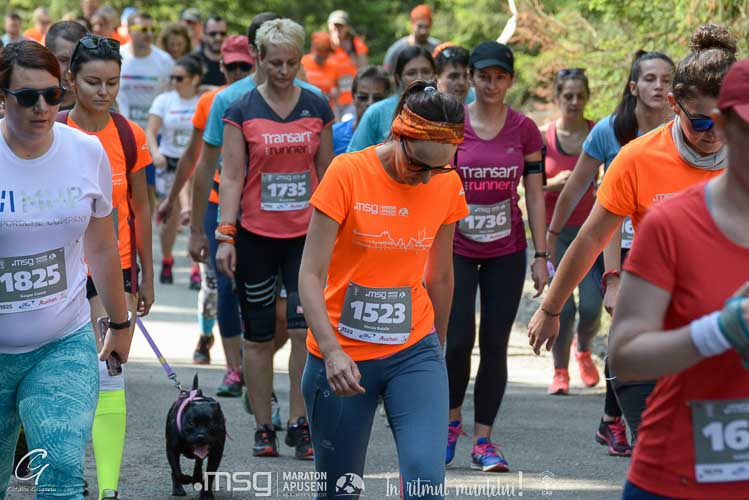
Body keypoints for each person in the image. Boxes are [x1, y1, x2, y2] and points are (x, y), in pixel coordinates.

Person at [529, 23, 736, 447]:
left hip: (726, 343)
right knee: (665, 455)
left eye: (724, 119)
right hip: (650, 340)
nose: (713, 132)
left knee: (714, 466)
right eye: (700, 121)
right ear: (674, 105)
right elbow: (590, 239)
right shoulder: (637, 159)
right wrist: (551, 307)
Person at [299, 81, 468, 499]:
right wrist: (331, 351)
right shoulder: (348, 173)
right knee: (339, 492)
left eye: (438, 168)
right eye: (419, 165)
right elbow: (310, 275)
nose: (426, 179)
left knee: (426, 482)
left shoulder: (446, 183)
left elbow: (440, 275)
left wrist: (437, 346)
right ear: (398, 134)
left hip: (413, 350)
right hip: (342, 354)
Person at [609, 57, 749, 500]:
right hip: (678, 477)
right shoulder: (672, 223)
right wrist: (719, 331)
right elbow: (624, 356)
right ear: (725, 127)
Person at [0, 40, 131, 499]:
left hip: (61, 343)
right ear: (2, 98)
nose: (42, 107)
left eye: (52, 95)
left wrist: (120, 324)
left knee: (60, 467)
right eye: (27, 97)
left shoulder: (86, 152)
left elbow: (102, 245)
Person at [541, 50, 674, 456]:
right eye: (649, 79)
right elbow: (576, 188)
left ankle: (617, 417)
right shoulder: (610, 131)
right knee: (623, 329)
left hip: (667, 246)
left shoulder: (685, 129)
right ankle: (619, 420)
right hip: (618, 243)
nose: (658, 86)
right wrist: (549, 238)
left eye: (666, 80)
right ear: (633, 87)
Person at [215, 18, 334, 460]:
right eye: (275, 63)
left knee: (305, 333)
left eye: (291, 63)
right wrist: (226, 235)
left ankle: (300, 423)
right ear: (259, 59)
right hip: (256, 236)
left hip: (305, 237)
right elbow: (231, 175)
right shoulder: (241, 109)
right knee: (259, 337)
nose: (284, 71)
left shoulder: (316, 106)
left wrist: (336, 231)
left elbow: (327, 172)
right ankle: (263, 426)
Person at [445, 41, 548, 473]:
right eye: (483, 76)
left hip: (507, 250)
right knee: (456, 342)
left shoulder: (524, 129)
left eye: (499, 77)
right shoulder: (453, 123)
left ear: (510, 80)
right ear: (470, 77)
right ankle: (450, 425)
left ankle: (484, 440)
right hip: (456, 248)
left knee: (494, 344)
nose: (491, 84)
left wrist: (542, 254)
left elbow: (535, 193)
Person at [63, 33, 154, 500]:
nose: (103, 91)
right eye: (93, 81)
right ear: (70, 79)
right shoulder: (52, 129)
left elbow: (141, 206)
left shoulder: (129, 135)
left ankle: (108, 489)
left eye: (112, 82)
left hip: (113, 269)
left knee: (109, 373)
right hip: (59, 270)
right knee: (66, 379)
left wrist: (147, 273)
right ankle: (66, 475)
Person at [157, 34, 253, 394]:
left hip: (256, 206)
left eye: (245, 66)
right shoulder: (212, 101)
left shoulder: (266, 101)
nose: (238, 72)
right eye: (232, 67)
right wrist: (174, 202)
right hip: (216, 201)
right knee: (222, 284)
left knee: (256, 287)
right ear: (222, 67)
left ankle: (253, 358)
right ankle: (234, 368)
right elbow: (194, 159)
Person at [540, 69, 602, 395]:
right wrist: (552, 184)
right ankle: (560, 371)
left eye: (580, 96)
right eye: (568, 96)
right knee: (562, 308)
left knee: (592, 307)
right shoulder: (543, 137)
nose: (574, 102)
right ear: (557, 98)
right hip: (556, 233)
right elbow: (528, 185)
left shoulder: (598, 132)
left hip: (591, 232)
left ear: (588, 97)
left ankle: (584, 348)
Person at [146, 54, 202, 288]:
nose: (174, 82)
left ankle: (196, 267)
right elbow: (151, 131)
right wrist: (155, 153)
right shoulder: (164, 100)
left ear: (195, 79)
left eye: (180, 78)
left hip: (197, 165)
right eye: (172, 78)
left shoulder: (202, 101)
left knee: (197, 219)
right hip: (169, 163)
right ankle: (167, 259)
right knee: (170, 219)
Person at [118, 11, 175, 210]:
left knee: (149, 188)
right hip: (124, 132)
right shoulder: (119, 57)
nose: (148, 34)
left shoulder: (165, 61)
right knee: (123, 187)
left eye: (152, 29)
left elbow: (171, 96)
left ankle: (147, 226)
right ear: (129, 30)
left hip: (153, 135)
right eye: (143, 29)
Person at [347, 46, 435, 152]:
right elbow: (354, 156)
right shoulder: (376, 112)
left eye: (425, 71)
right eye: (411, 73)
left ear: (435, 76)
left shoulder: (445, 110)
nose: (419, 78)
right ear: (398, 78)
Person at [332, 65, 391, 155]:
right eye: (363, 97)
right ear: (353, 98)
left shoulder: (394, 138)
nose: (370, 103)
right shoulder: (335, 135)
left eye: (377, 98)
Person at [383, 4, 441, 73]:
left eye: (427, 27)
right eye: (420, 26)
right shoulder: (397, 49)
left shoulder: (437, 48)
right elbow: (386, 72)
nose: (423, 31)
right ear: (412, 25)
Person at [45, 21, 88, 110]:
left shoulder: (99, 106)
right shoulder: (30, 101)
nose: (70, 70)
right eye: (63, 60)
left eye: (78, 60)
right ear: (46, 57)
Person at [301, 32, 342, 111]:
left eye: (327, 51)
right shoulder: (303, 63)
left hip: (326, 110)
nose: (324, 54)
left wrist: (335, 92)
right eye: (321, 50)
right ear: (313, 48)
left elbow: (337, 89)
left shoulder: (333, 65)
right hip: (306, 109)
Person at [195, 15, 227, 88]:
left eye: (222, 34)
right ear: (203, 35)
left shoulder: (234, 64)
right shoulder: (194, 62)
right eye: (213, 34)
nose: (218, 38)